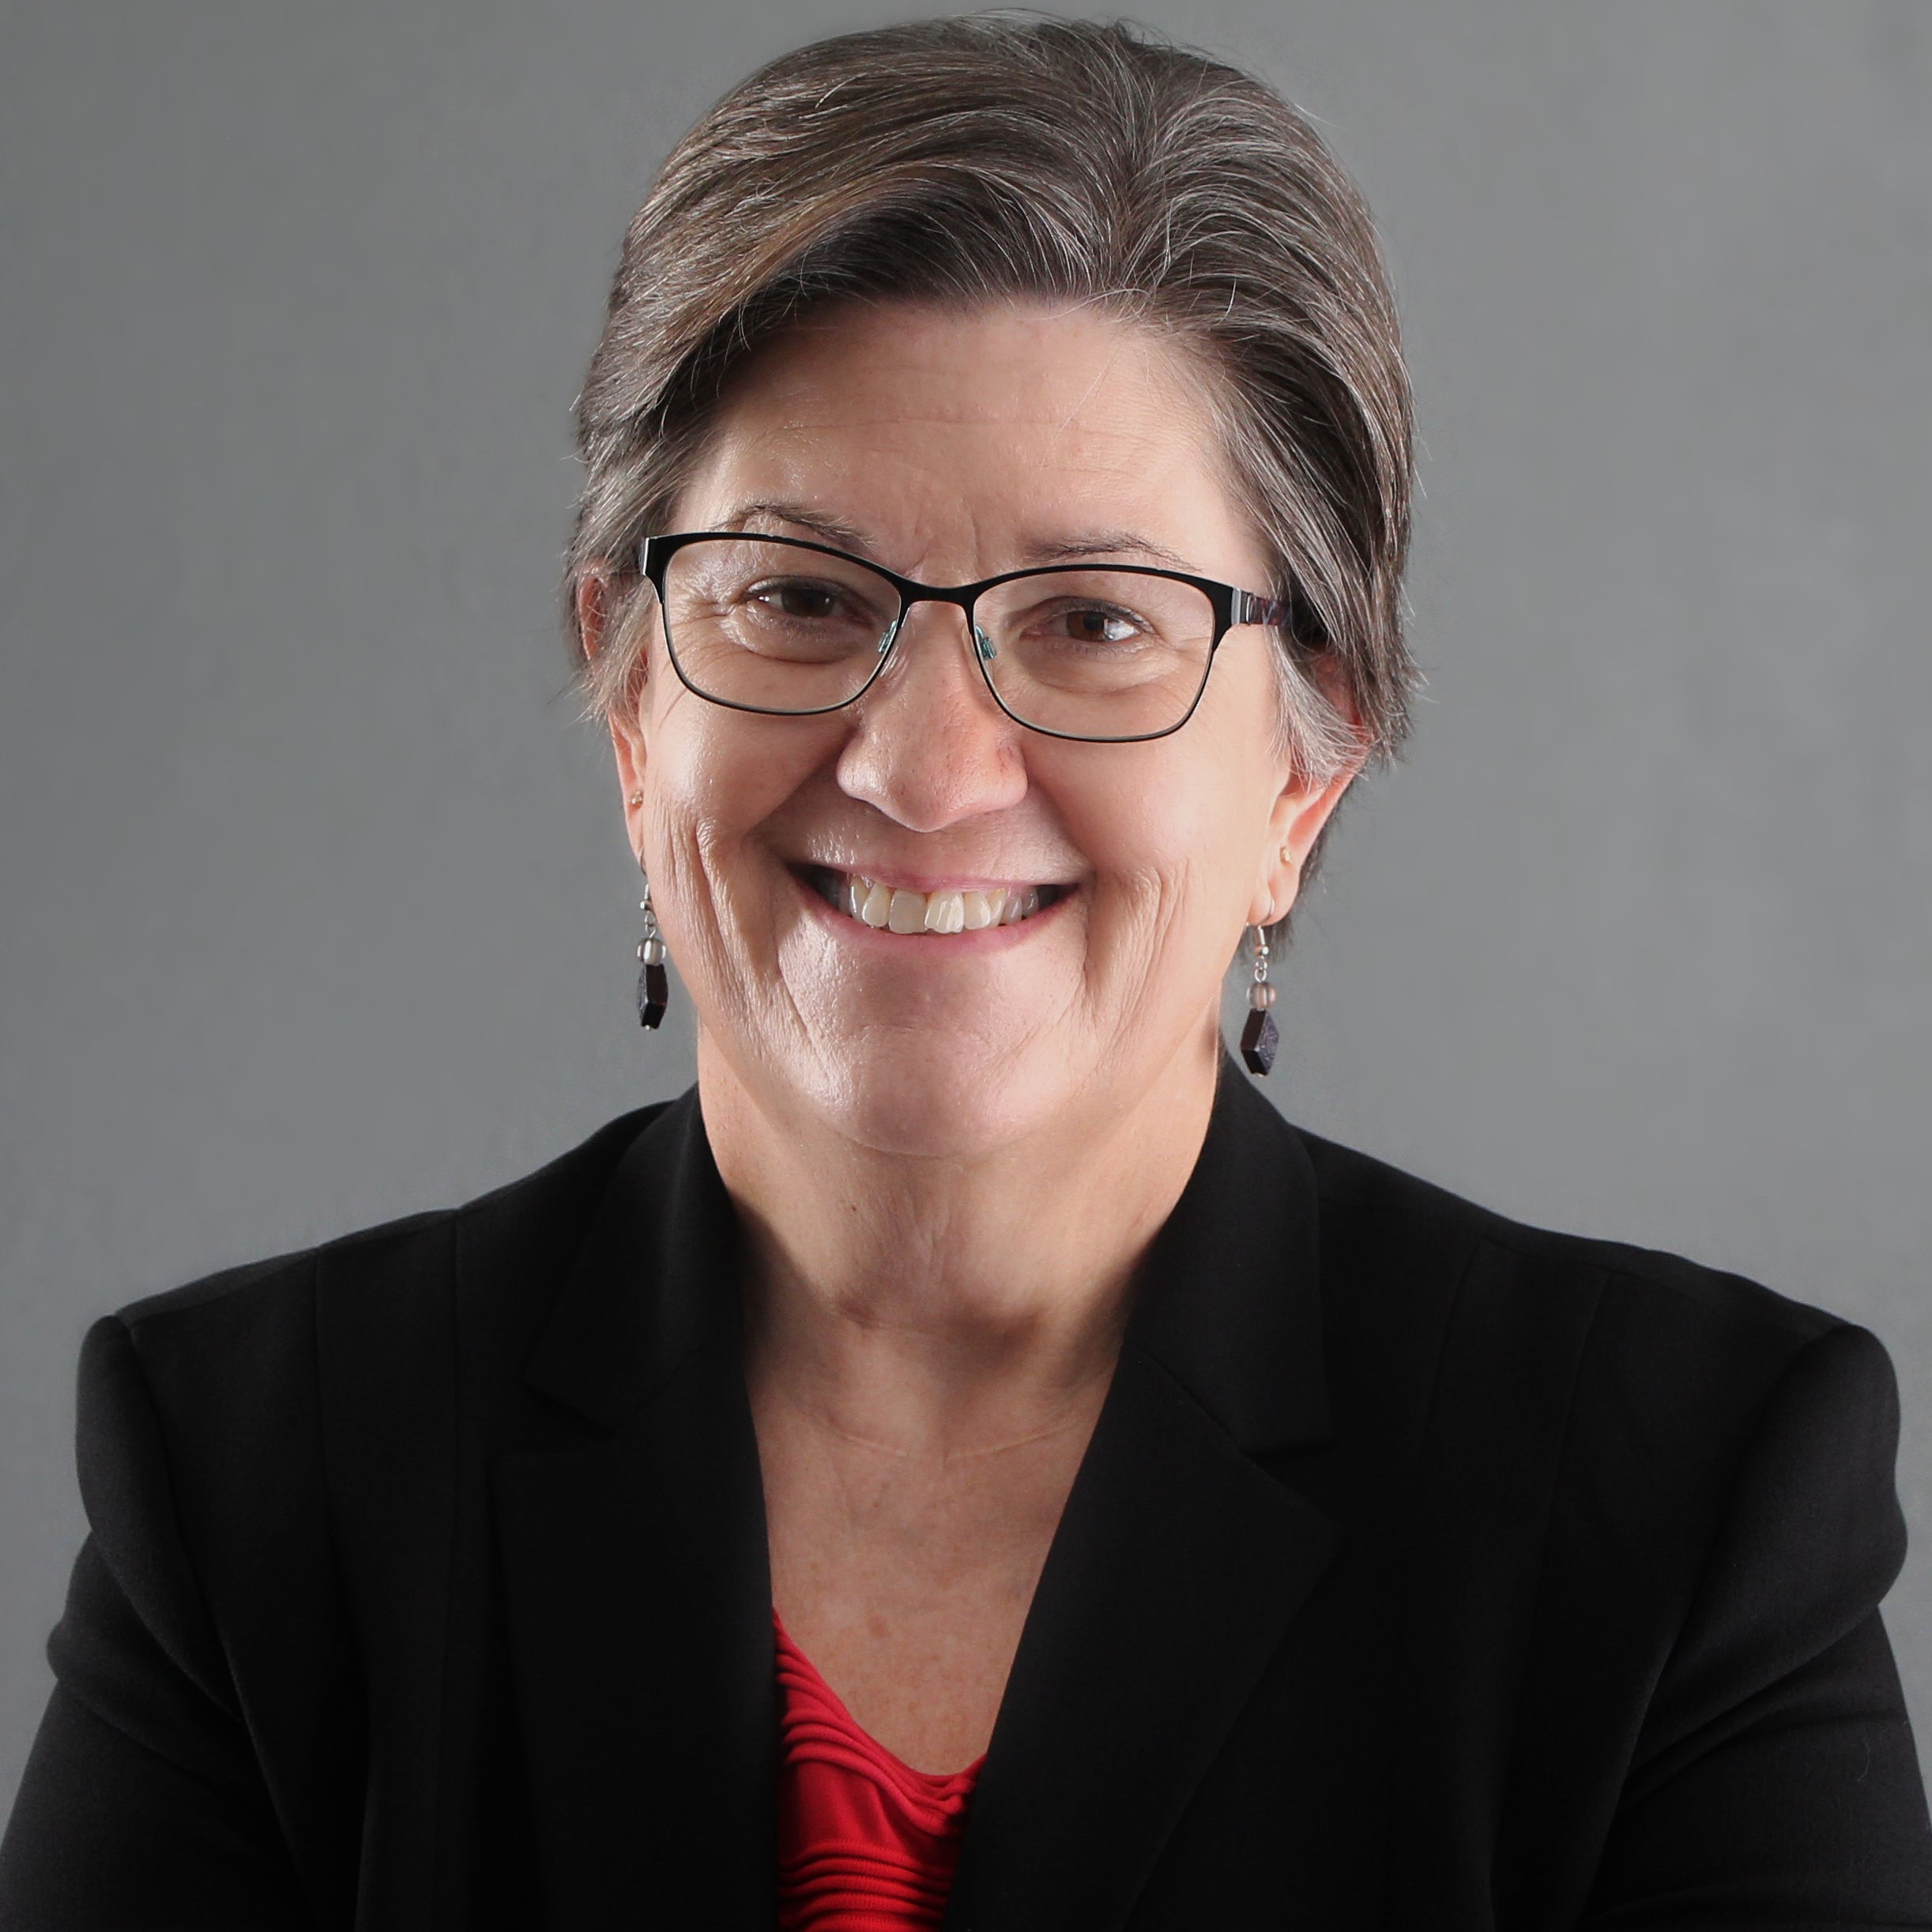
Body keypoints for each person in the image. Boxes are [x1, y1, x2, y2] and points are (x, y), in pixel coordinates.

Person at [2, 16, 1928, 1930]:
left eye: (1095, 621)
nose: (919, 766)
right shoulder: (258, 1482)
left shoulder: (1679, 1511)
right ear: (623, 697)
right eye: (797, 596)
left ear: (1302, 766)